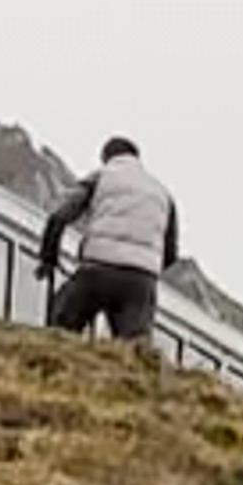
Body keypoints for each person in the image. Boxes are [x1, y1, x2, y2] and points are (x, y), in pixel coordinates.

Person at [39, 132, 183, 346]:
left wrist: (48, 258)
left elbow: (59, 217)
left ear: (107, 157)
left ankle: (55, 373)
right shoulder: (163, 194)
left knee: (61, 327)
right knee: (136, 351)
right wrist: (141, 267)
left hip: (98, 270)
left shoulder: (101, 176)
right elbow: (170, 253)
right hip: (141, 281)